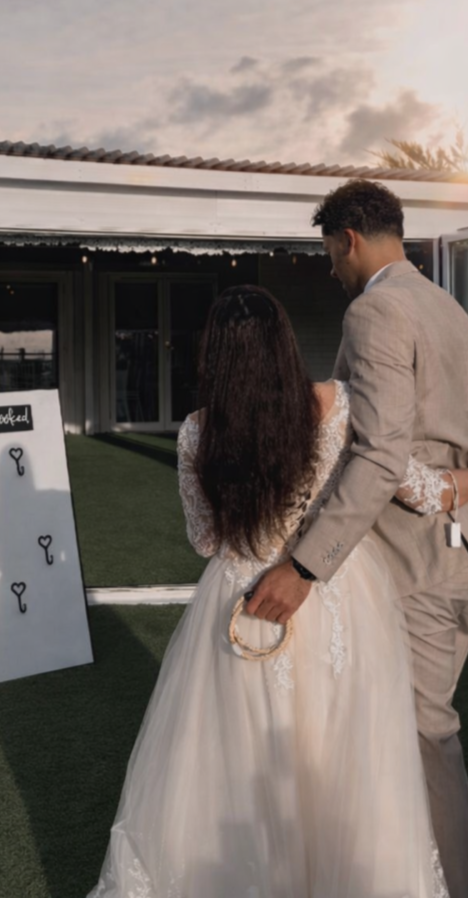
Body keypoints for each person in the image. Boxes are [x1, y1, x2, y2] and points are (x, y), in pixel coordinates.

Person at [86, 283, 462, 898]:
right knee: (346, 765)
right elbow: (409, 484)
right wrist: (459, 483)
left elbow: (206, 540)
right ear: (286, 342)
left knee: (236, 770)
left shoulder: (195, 434)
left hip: (244, 601)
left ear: (216, 358)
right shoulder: (337, 407)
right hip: (339, 600)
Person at [247, 181, 468, 898]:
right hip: (458, 543)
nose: (331, 271)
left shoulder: (374, 311)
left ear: (348, 238)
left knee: (423, 740)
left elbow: (375, 452)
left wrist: (304, 568)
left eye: (328, 254)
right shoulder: (450, 308)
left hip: (417, 562)